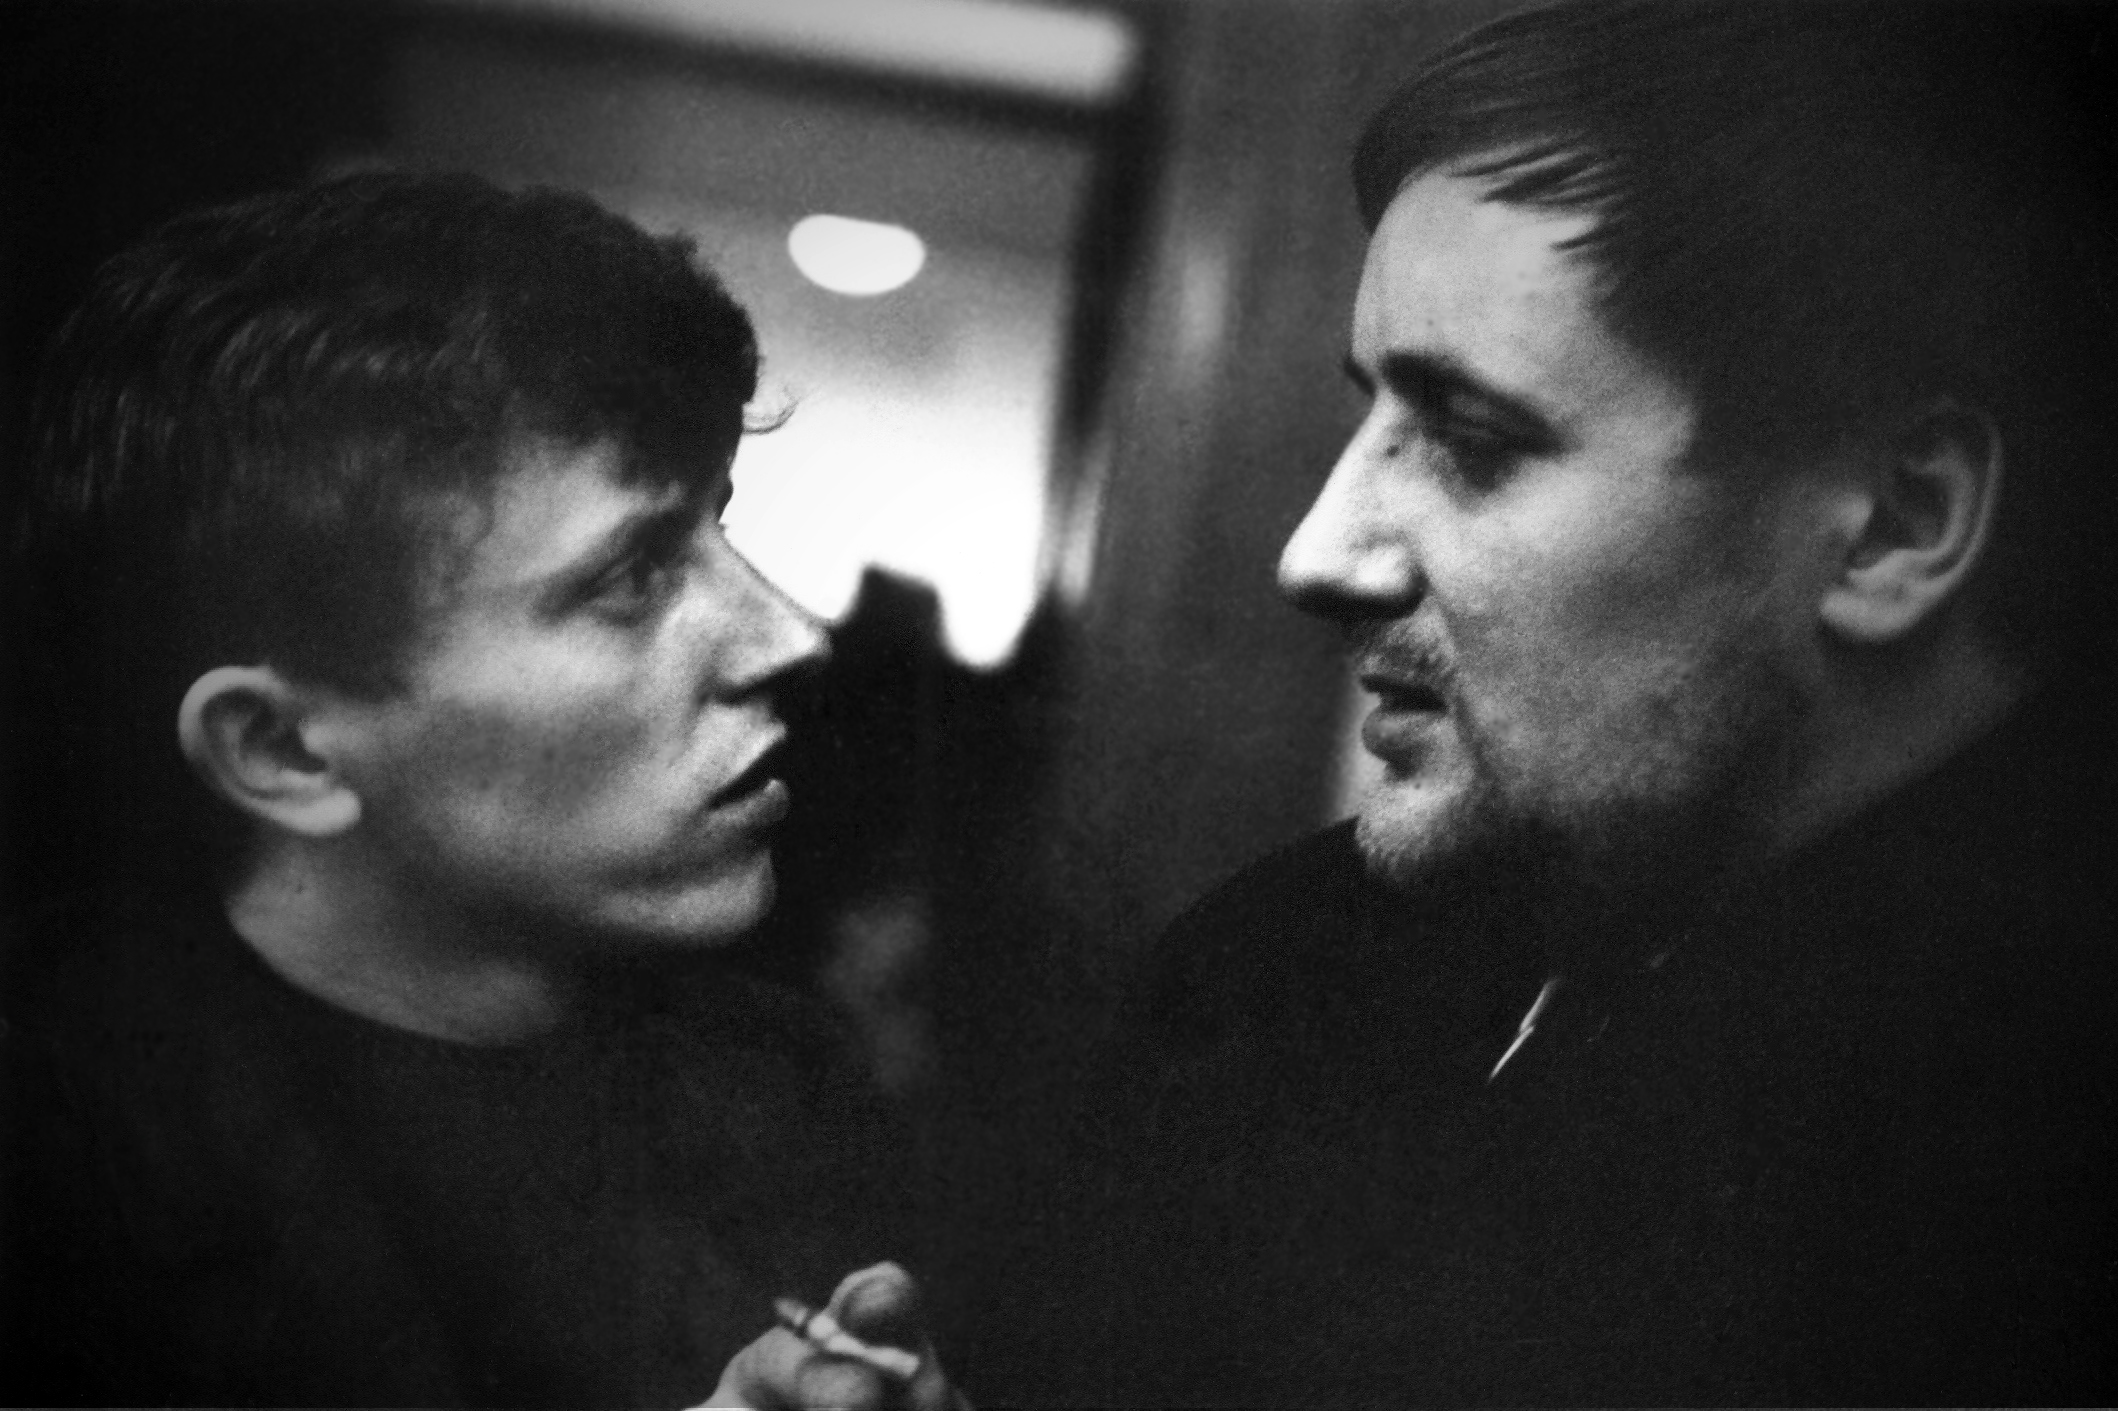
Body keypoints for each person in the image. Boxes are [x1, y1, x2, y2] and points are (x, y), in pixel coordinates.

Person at [1004, 2, 2115, 1404]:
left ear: (1894, 524)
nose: (1317, 554)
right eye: (1369, 418)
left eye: (1469, 440)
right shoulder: (1260, 986)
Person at [2, 171, 956, 1410]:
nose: (790, 634)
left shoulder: (790, 1090)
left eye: (717, 527)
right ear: (284, 751)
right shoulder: (60, 1161)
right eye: (630, 577)